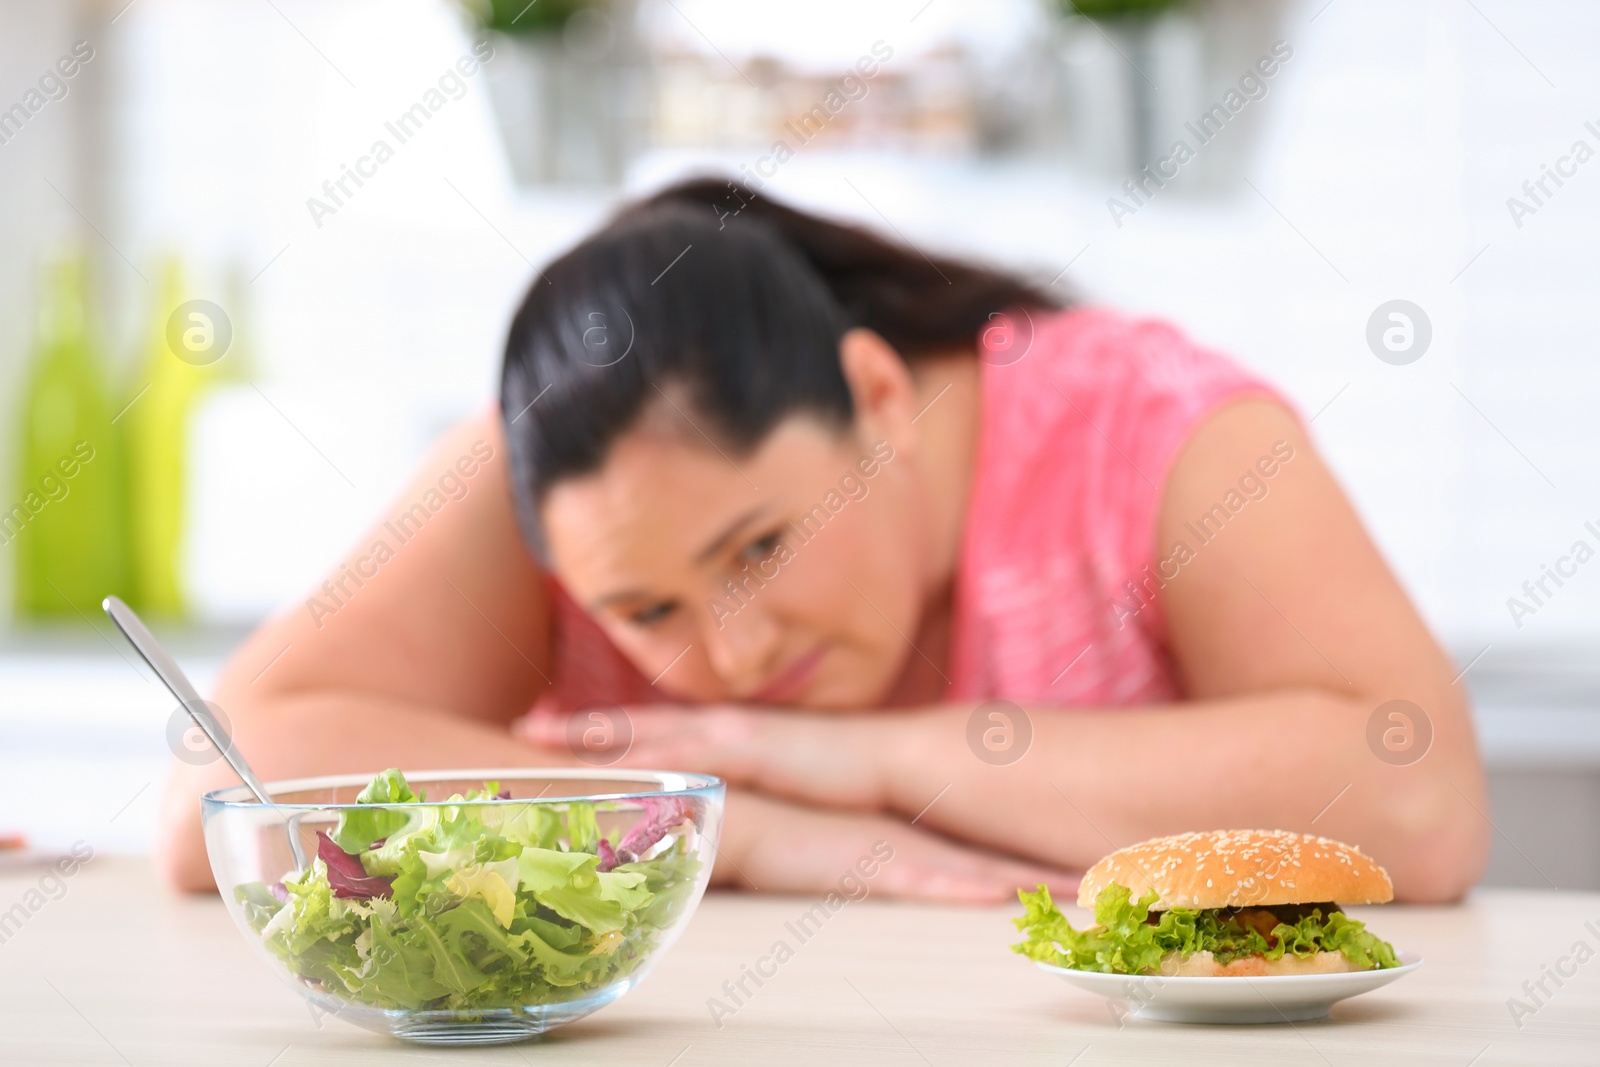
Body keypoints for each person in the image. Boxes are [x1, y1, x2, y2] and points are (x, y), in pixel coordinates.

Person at [157, 178, 1488, 902]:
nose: (732, 654)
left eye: (760, 548)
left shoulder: (1153, 429)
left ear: (879, 399)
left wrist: (855, 762)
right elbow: (218, 795)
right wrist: (719, 829)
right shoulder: (566, 472)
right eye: (647, 612)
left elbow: (1417, 804)